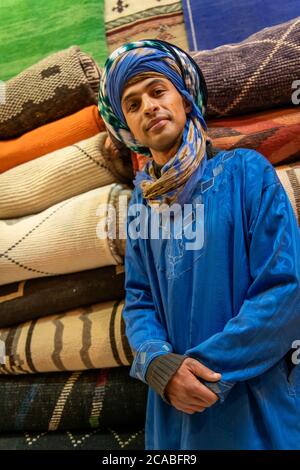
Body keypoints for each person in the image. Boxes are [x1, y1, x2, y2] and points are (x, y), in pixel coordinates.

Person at [98, 39, 300, 450]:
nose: (149, 107)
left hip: (252, 402)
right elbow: (139, 301)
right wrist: (158, 365)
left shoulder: (246, 172)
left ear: (185, 99)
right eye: (133, 105)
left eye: (158, 91)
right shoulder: (141, 205)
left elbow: (285, 288)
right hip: (175, 416)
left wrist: (200, 371)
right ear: (128, 129)